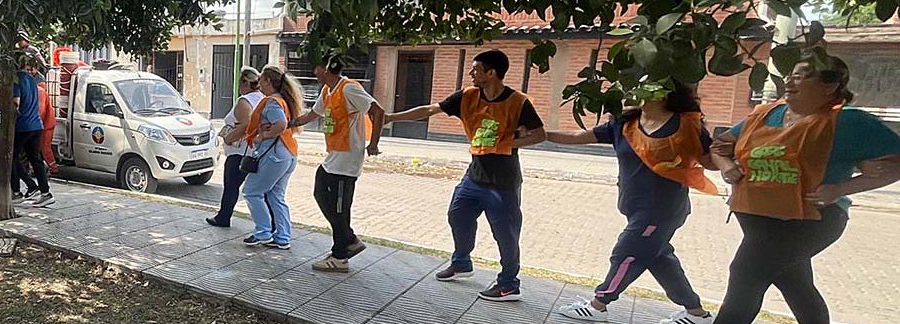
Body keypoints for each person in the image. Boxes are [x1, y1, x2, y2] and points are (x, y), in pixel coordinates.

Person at [710, 57, 900, 324]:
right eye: (791, 75)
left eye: (802, 77)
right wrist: (727, 166)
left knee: (746, 272)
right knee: (795, 284)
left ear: (829, 87)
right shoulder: (765, 114)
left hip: (809, 221)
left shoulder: (849, 121)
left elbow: (894, 165)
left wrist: (841, 188)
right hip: (757, 219)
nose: (790, 81)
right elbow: (719, 146)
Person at [547, 80, 716, 324]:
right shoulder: (625, 123)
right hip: (634, 206)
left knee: (626, 253)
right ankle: (696, 313)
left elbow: (710, 161)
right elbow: (578, 136)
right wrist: (541, 135)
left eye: (646, 85)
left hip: (661, 210)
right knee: (659, 258)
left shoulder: (685, 125)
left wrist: (733, 158)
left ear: (664, 93)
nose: (635, 89)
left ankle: (598, 305)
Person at [385, 50, 545, 302]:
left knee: (506, 234)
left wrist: (506, 143)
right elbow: (430, 109)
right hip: (474, 176)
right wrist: (390, 117)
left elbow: (539, 135)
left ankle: (508, 284)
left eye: (476, 69)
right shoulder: (467, 96)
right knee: (457, 215)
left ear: (491, 73)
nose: (471, 73)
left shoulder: (518, 102)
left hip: (502, 181)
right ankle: (461, 263)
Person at [287, 55, 385, 272]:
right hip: (334, 156)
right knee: (321, 192)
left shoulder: (349, 88)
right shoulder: (327, 91)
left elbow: (378, 111)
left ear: (324, 69)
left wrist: (373, 143)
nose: (314, 72)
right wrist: (290, 123)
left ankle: (340, 256)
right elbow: (313, 114)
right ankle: (349, 239)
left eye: (316, 67)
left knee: (340, 208)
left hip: (348, 158)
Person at [241, 65, 303, 249]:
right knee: (276, 195)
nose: (258, 83)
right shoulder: (284, 100)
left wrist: (263, 136)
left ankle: (263, 232)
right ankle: (282, 237)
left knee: (251, 191)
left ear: (268, 81)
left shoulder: (272, 102)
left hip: (274, 155)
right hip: (288, 153)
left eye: (261, 79)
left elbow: (281, 124)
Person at [206, 67, 266, 228]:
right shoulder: (262, 98)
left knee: (231, 186)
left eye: (240, 82)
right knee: (260, 190)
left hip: (240, 151)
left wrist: (229, 137)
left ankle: (223, 217)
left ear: (245, 83)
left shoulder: (244, 101)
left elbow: (247, 125)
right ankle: (269, 224)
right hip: (255, 150)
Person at [13, 61, 54, 206]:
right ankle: (45, 193)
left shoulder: (15, 80)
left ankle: (22, 189)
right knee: (35, 159)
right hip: (36, 124)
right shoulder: (31, 79)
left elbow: (15, 104)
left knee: (12, 157)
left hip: (22, 125)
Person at [37, 80, 58, 174]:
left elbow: (40, 110)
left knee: (45, 147)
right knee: (41, 147)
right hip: (46, 123)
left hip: (46, 124)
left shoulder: (39, 92)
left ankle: (53, 167)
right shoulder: (41, 91)